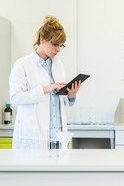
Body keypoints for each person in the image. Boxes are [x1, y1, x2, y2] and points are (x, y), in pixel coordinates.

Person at [9, 15, 81, 150]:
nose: (58, 49)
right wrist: (46, 89)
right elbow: (15, 98)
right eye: (54, 44)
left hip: (57, 136)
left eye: (61, 45)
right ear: (42, 40)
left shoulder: (58, 65)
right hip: (35, 137)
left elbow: (60, 101)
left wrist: (71, 95)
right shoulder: (23, 64)